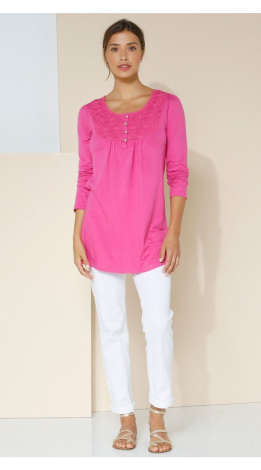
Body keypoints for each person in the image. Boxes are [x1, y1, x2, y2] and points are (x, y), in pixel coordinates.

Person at [73, 18, 189, 453]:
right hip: (100, 232)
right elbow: (85, 176)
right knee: (112, 328)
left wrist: (174, 231)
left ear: (142, 53)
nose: (123, 55)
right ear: (105, 55)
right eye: (115, 48)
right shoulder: (89, 114)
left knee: (158, 324)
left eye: (132, 47)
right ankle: (125, 416)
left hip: (151, 234)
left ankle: (157, 413)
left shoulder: (168, 106)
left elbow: (178, 172)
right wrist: (76, 234)